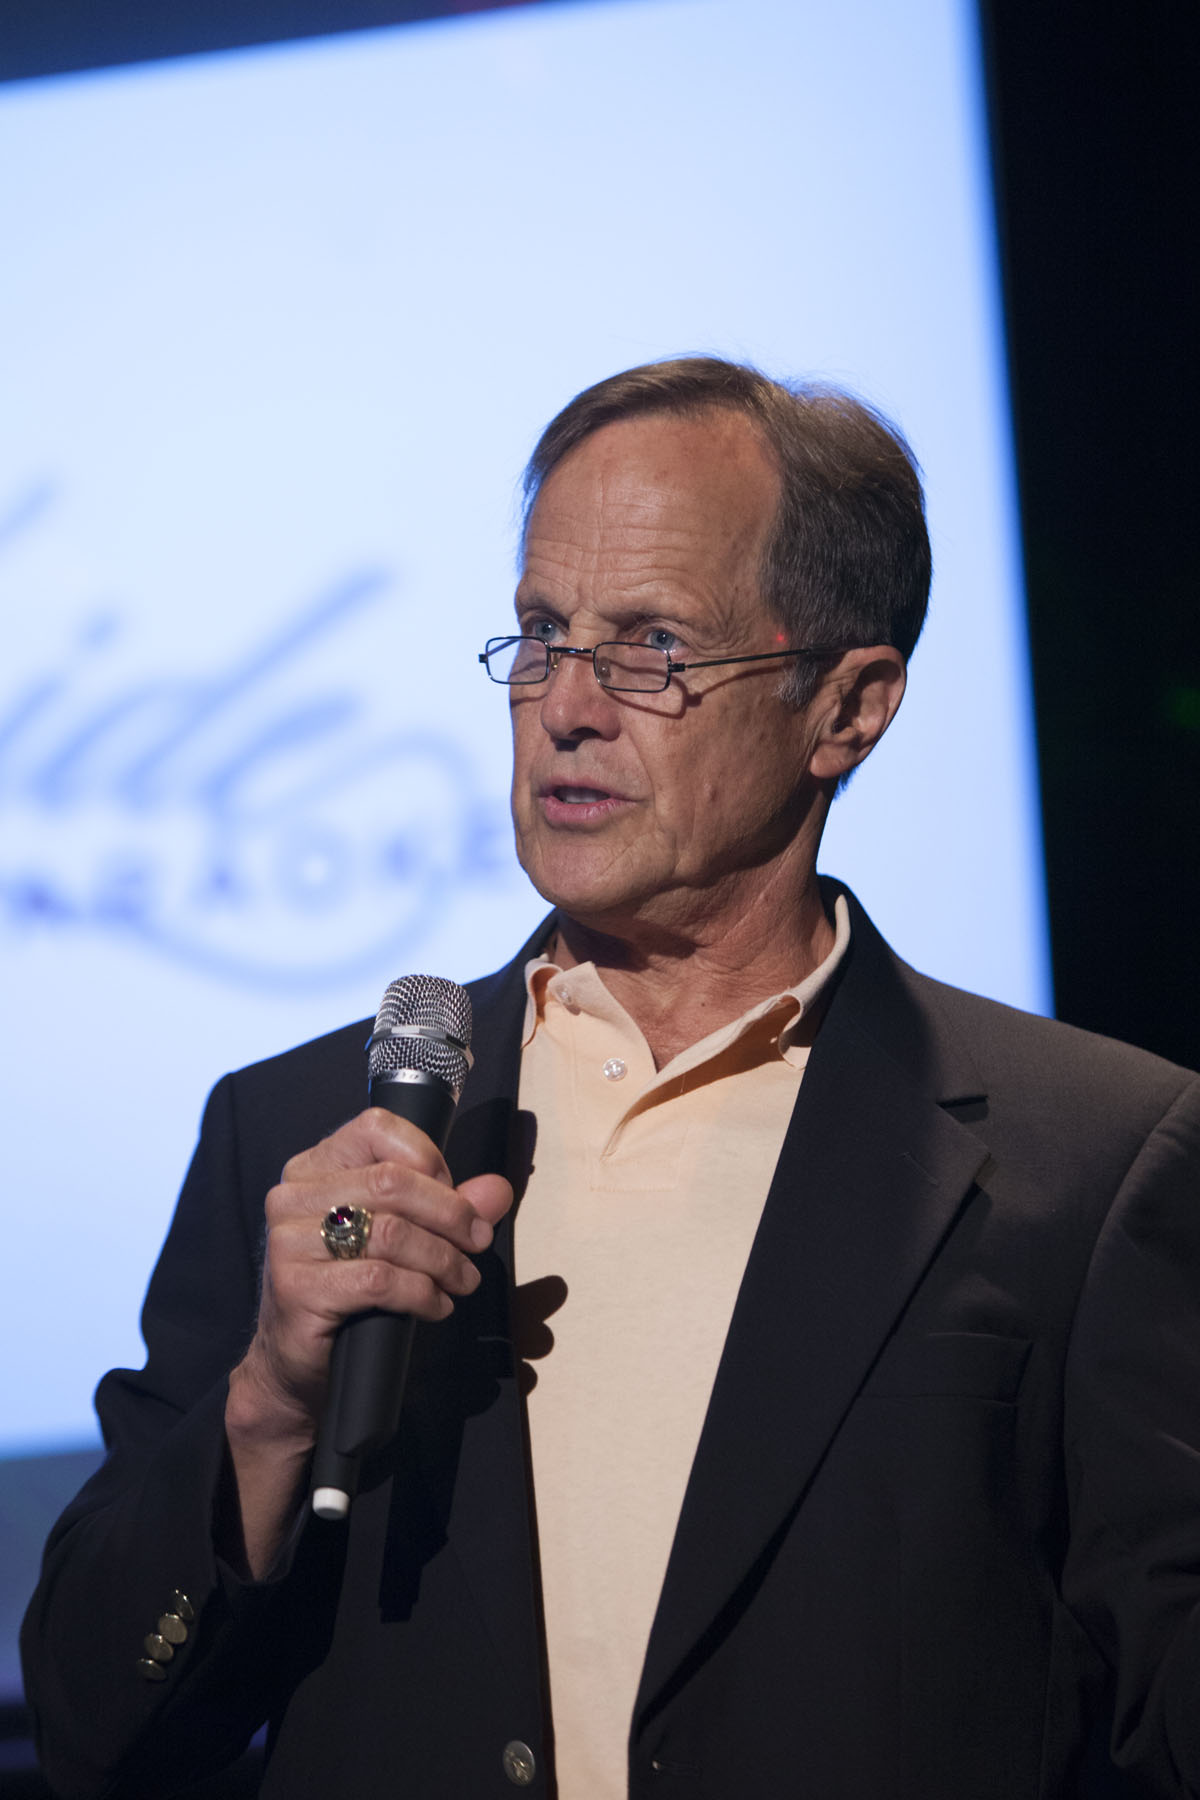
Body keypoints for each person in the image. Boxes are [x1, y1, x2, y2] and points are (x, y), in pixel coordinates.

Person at [22, 357, 1200, 1800]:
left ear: (848, 707)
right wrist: (269, 1402)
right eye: (538, 634)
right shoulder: (304, 1134)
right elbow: (95, 1728)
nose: (565, 706)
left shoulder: (1084, 1160)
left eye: (651, 647)